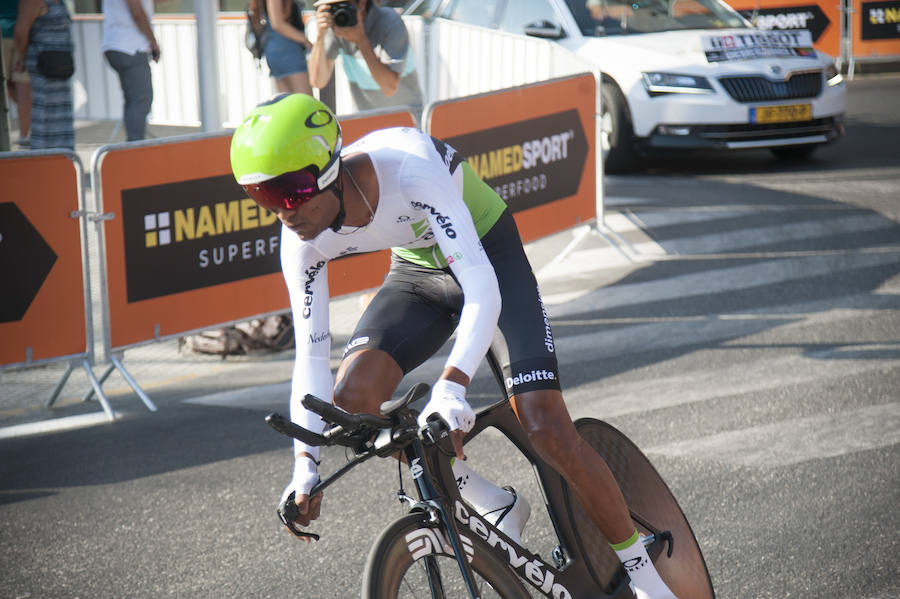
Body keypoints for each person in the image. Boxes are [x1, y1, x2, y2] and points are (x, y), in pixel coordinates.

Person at [229, 93, 681, 599]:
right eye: (262, 198)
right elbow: (310, 356)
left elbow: (482, 287)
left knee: (545, 425)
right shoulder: (301, 239)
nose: (281, 212)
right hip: (418, 274)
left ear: (330, 168)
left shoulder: (409, 167)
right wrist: (304, 468)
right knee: (352, 400)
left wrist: (453, 384)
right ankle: (488, 500)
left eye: (289, 192)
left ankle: (644, 576)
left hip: (487, 255)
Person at [308, 0, 422, 111]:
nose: (339, 12)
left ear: (362, 3)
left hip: (406, 117)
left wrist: (361, 41)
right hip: (367, 119)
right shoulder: (334, 25)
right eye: (332, 7)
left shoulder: (390, 21)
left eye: (344, 5)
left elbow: (389, 87)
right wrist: (320, 37)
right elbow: (318, 81)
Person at [13, 0, 74, 151]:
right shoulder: (32, 2)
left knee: (61, 114)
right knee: (43, 112)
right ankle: (42, 155)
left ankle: (64, 155)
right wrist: (22, 58)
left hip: (61, 66)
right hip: (43, 64)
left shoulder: (59, 2)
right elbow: (21, 32)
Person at [101, 0, 159, 142]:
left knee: (133, 100)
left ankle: (133, 144)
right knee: (141, 100)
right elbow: (137, 12)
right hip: (130, 46)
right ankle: (135, 147)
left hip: (117, 45)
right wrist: (153, 41)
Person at [252, 0, 313, 94]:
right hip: (287, 49)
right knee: (305, 102)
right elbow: (277, 24)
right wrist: (306, 42)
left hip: (276, 50)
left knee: (287, 103)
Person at [1, 0, 32, 147]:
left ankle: (24, 136)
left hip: (19, 31)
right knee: (22, 89)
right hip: (23, 31)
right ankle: (24, 136)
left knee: (22, 89)